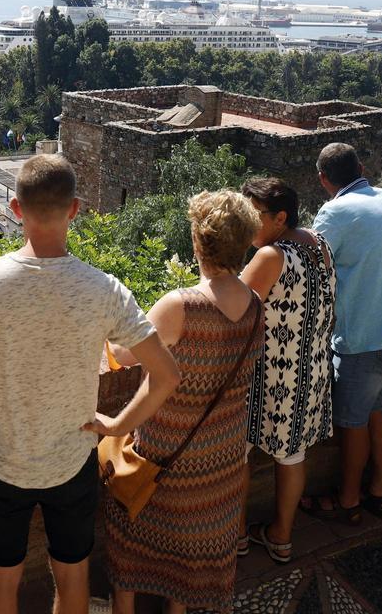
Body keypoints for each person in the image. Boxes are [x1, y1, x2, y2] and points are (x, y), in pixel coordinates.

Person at [0, 154, 180, 614]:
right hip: (73, 460)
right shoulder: (104, 290)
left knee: (0, 584)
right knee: (72, 577)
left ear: (15, 209)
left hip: (3, 458)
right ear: (74, 209)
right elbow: (166, 375)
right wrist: (117, 425)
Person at [105, 190, 263, 614]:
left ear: (198, 242)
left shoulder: (181, 306)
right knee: (189, 559)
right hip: (222, 459)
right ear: (245, 242)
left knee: (130, 550)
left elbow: (121, 356)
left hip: (164, 457)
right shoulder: (256, 307)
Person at [302, 143, 382, 522]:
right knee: (374, 410)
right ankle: (381, 489)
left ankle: (349, 502)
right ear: (361, 166)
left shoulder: (335, 211)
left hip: (366, 336)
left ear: (323, 179)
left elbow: (312, 267)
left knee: (352, 422)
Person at [237, 177, 335, 564]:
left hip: (269, 375)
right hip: (309, 372)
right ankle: (282, 536)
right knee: (292, 457)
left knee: (238, 454)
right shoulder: (318, 243)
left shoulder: (270, 256)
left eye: (253, 215)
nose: (247, 223)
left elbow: (232, 308)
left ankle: (239, 535)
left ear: (280, 217)